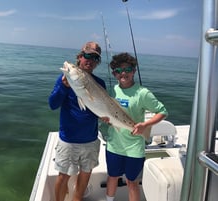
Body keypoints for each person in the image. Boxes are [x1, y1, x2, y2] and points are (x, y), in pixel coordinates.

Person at [104, 52, 168, 201]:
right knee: (112, 177)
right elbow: (106, 112)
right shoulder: (112, 91)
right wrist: (105, 118)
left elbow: (163, 111)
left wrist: (145, 124)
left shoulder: (142, 93)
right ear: (114, 73)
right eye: (118, 71)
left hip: (134, 147)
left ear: (134, 71)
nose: (123, 73)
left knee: (131, 182)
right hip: (114, 145)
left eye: (127, 69)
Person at [48, 41, 106, 201]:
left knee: (85, 175)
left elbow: (97, 110)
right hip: (69, 140)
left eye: (95, 58)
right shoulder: (64, 78)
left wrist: (106, 117)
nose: (90, 60)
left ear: (97, 62)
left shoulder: (100, 83)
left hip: (91, 139)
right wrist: (64, 87)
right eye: (87, 55)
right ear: (80, 57)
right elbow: (53, 104)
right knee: (63, 176)